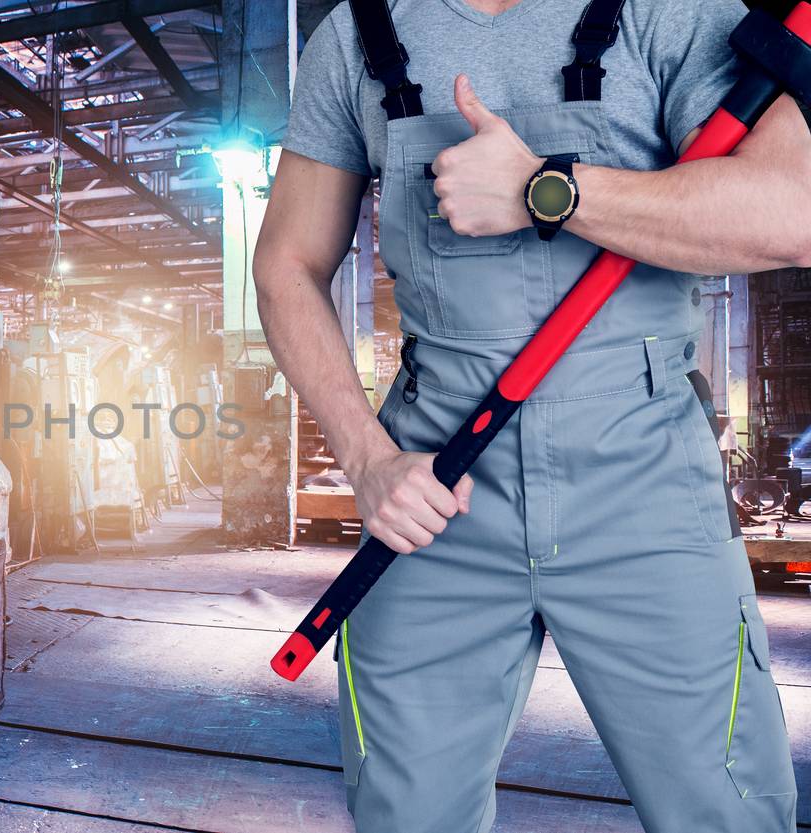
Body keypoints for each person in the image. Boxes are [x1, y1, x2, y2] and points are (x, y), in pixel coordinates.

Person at [251, 0, 811, 830]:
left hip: (647, 486)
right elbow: (285, 264)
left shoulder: (672, 11)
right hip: (434, 493)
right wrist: (367, 460)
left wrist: (544, 189)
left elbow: (792, 213)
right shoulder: (353, 35)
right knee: (407, 814)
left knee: (723, 807)